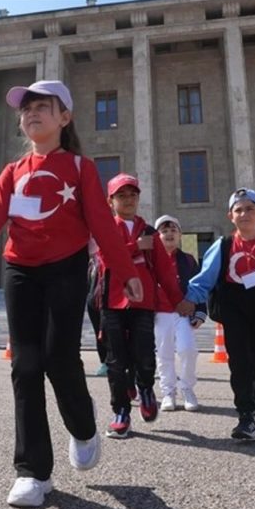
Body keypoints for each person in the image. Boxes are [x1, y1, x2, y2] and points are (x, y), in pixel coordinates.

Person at [0, 79, 142, 508]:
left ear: (64, 118)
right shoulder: (12, 172)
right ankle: (33, 472)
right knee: (25, 365)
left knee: (58, 358)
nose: (31, 113)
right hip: (21, 271)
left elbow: (103, 226)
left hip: (66, 268)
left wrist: (124, 272)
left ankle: (83, 428)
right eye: (26, 109)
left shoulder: (81, 168)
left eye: (42, 107)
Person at [176, 189, 255, 441]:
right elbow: (205, 278)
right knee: (241, 363)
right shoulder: (222, 245)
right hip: (234, 307)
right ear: (230, 216)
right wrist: (189, 300)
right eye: (239, 210)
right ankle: (245, 417)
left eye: (250, 209)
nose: (244, 214)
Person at [99, 173, 183, 439]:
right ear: (110, 200)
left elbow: (164, 271)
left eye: (132, 195)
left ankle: (145, 388)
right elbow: (105, 259)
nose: (128, 200)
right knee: (116, 361)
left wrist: (179, 300)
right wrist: (134, 248)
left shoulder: (149, 232)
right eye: (121, 196)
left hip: (144, 302)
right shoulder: (105, 228)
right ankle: (121, 413)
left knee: (145, 354)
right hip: (113, 301)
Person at [152, 214, 205, 412]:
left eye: (173, 230)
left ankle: (187, 388)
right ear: (157, 237)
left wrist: (200, 312)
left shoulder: (188, 260)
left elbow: (199, 288)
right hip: (160, 314)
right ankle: (168, 392)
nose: (169, 234)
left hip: (182, 313)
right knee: (164, 354)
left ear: (180, 235)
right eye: (164, 231)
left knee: (188, 350)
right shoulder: (151, 260)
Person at [85, 239, 108, 377]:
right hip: (93, 300)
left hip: (107, 300)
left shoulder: (105, 259)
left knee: (108, 332)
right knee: (98, 333)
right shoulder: (92, 263)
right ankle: (104, 361)